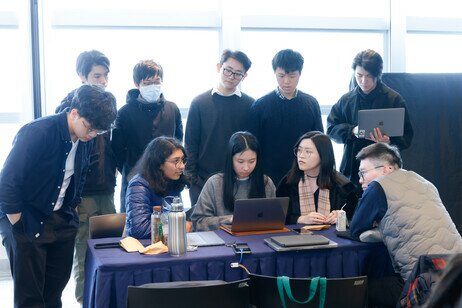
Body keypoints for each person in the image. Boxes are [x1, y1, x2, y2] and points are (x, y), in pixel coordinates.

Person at [0, 85, 117, 307]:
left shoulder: (86, 139)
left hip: (60, 218)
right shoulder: (38, 132)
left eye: (97, 132)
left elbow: (78, 178)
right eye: (90, 128)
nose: (92, 135)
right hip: (26, 216)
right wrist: (19, 225)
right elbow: (7, 182)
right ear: (74, 113)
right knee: (30, 298)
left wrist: (71, 211)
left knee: (53, 294)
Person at [349, 142, 462, 307]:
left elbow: (355, 229)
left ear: (386, 169)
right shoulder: (423, 181)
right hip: (456, 276)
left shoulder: (378, 186)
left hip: (423, 285)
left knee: (364, 289)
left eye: (363, 173)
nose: (360, 180)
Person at [55, 49, 116, 304]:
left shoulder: (107, 105)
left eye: (105, 76)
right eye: (96, 76)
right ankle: (84, 299)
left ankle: (105, 296)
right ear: (82, 76)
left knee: (111, 244)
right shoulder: (70, 107)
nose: (102, 81)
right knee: (83, 249)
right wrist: (73, 195)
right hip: (83, 194)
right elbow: (62, 159)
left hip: (107, 189)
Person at [327, 49, 413, 194]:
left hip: (384, 170)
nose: (363, 81)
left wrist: (388, 142)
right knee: (353, 211)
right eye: (359, 76)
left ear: (377, 75)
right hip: (353, 170)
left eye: (369, 76)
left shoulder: (393, 99)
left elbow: (407, 137)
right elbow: (331, 129)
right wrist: (352, 131)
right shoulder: (346, 100)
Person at [185, 49, 254, 207]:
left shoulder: (250, 105)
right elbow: (190, 144)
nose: (231, 77)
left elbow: (253, 145)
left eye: (238, 74)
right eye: (228, 70)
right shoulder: (199, 102)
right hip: (202, 182)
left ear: (245, 76)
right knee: (203, 228)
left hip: (239, 183)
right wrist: (192, 180)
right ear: (219, 67)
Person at [112, 59, 183, 213]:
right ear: (137, 84)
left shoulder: (172, 109)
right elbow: (117, 150)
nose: (153, 86)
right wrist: (131, 169)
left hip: (168, 180)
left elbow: (179, 141)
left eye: (156, 81)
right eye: (148, 82)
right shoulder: (124, 112)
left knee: (172, 223)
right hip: (135, 180)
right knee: (136, 225)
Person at [249, 49, 323, 187]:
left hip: (305, 175)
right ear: (275, 73)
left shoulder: (311, 103)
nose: (286, 81)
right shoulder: (260, 106)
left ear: (300, 74)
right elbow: (253, 147)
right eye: (281, 76)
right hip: (269, 177)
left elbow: (320, 144)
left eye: (292, 76)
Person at [191, 131, 276, 231]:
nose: (246, 167)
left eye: (252, 161)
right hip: (222, 242)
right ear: (230, 159)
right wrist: (230, 219)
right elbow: (198, 222)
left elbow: (274, 220)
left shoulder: (266, 183)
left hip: (257, 239)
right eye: (240, 161)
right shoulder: (215, 183)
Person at [277, 131, 357, 225]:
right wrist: (299, 219)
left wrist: (342, 218)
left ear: (323, 155)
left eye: (308, 152)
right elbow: (276, 217)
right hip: (294, 237)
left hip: (332, 238)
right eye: (299, 150)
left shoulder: (343, 185)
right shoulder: (288, 182)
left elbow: (356, 219)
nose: (301, 155)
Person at [125, 137, 189, 239]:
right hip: (143, 248)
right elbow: (139, 229)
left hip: (165, 243)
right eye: (176, 161)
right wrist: (178, 227)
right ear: (159, 164)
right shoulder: (138, 185)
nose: (182, 166)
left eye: (183, 160)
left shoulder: (173, 180)